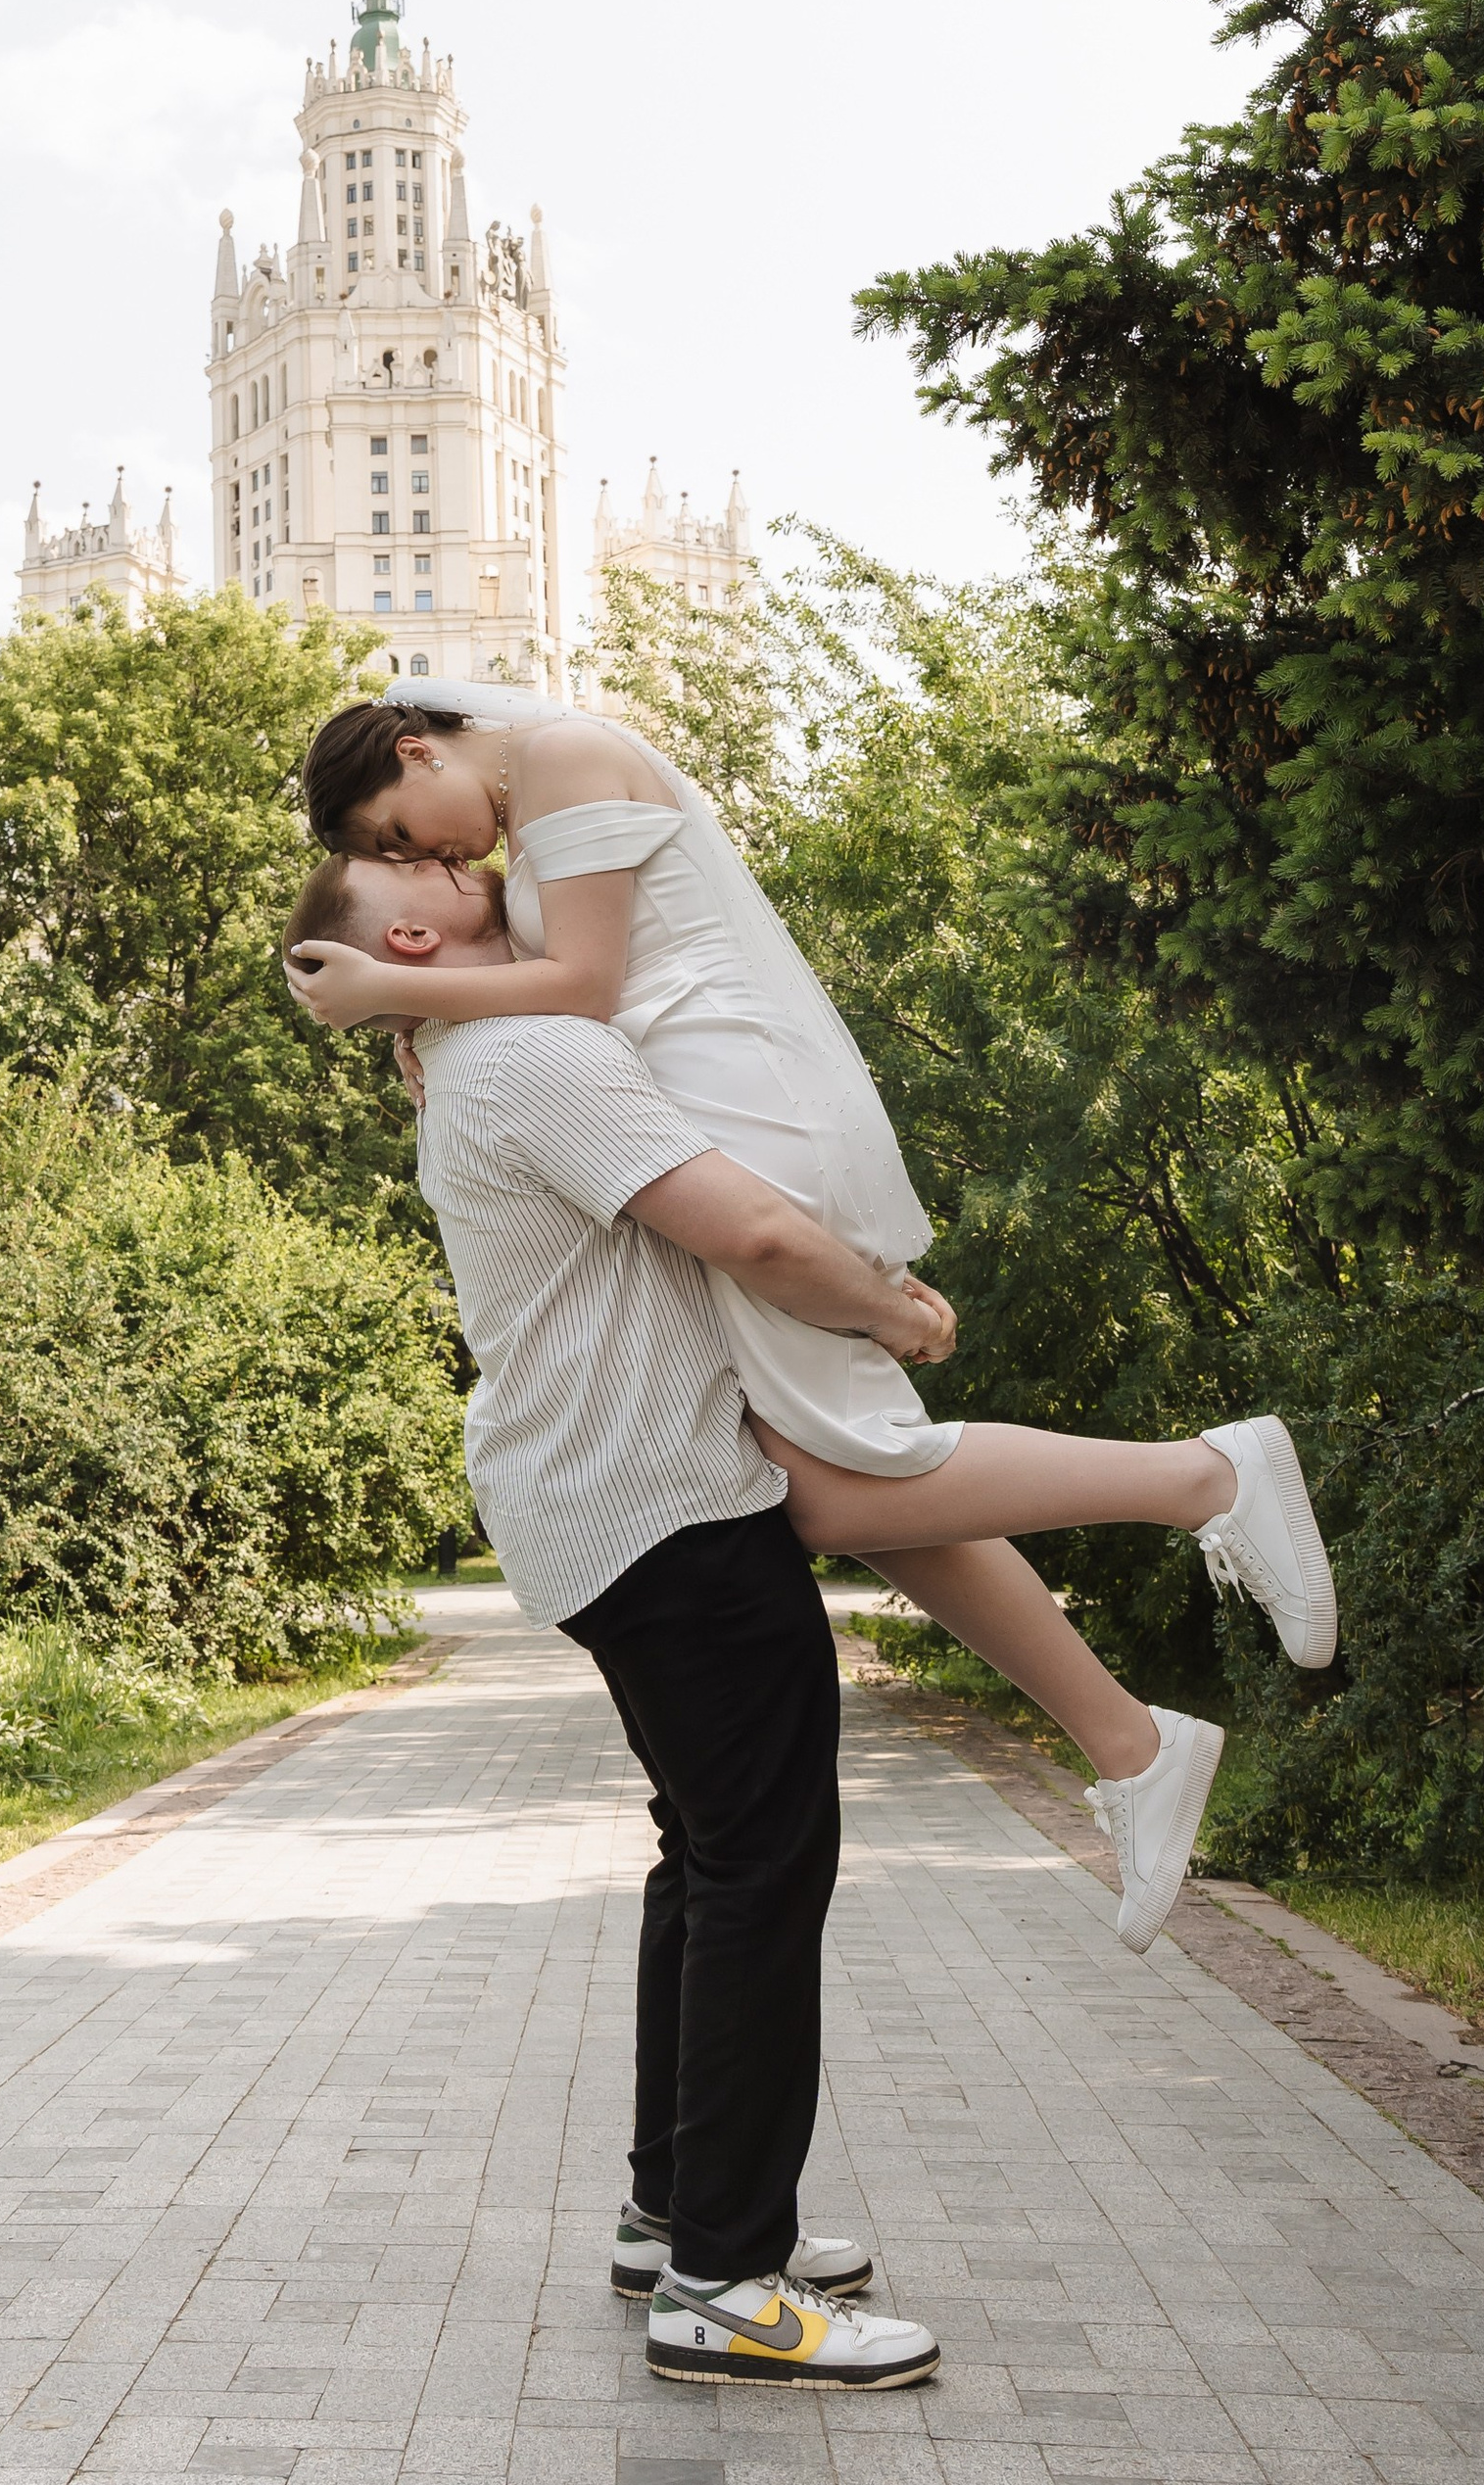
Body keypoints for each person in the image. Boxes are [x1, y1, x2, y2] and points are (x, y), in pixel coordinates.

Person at [284, 687, 1338, 1955]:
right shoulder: (531, 807)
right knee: (843, 1481)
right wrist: (426, 1010)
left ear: (417, 748)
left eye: (412, 832)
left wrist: (413, 1002)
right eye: (410, 860)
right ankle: (1132, 1737)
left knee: (841, 1491)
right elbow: (556, 987)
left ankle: (1207, 1481)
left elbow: (591, 983)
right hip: (726, 1106)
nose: (439, 860)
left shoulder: (562, 754)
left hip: (752, 1111)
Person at [289, 841, 944, 2389]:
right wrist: (896, 1308)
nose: (462, 851)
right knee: (765, 1868)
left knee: (712, 1857)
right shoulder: (524, 1054)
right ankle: (726, 2283)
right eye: (419, 856)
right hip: (661, 1504)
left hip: (602, 1499)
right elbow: (761, 1236)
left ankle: (677, 2214)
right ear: (405, 928)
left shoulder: (476, 1056)